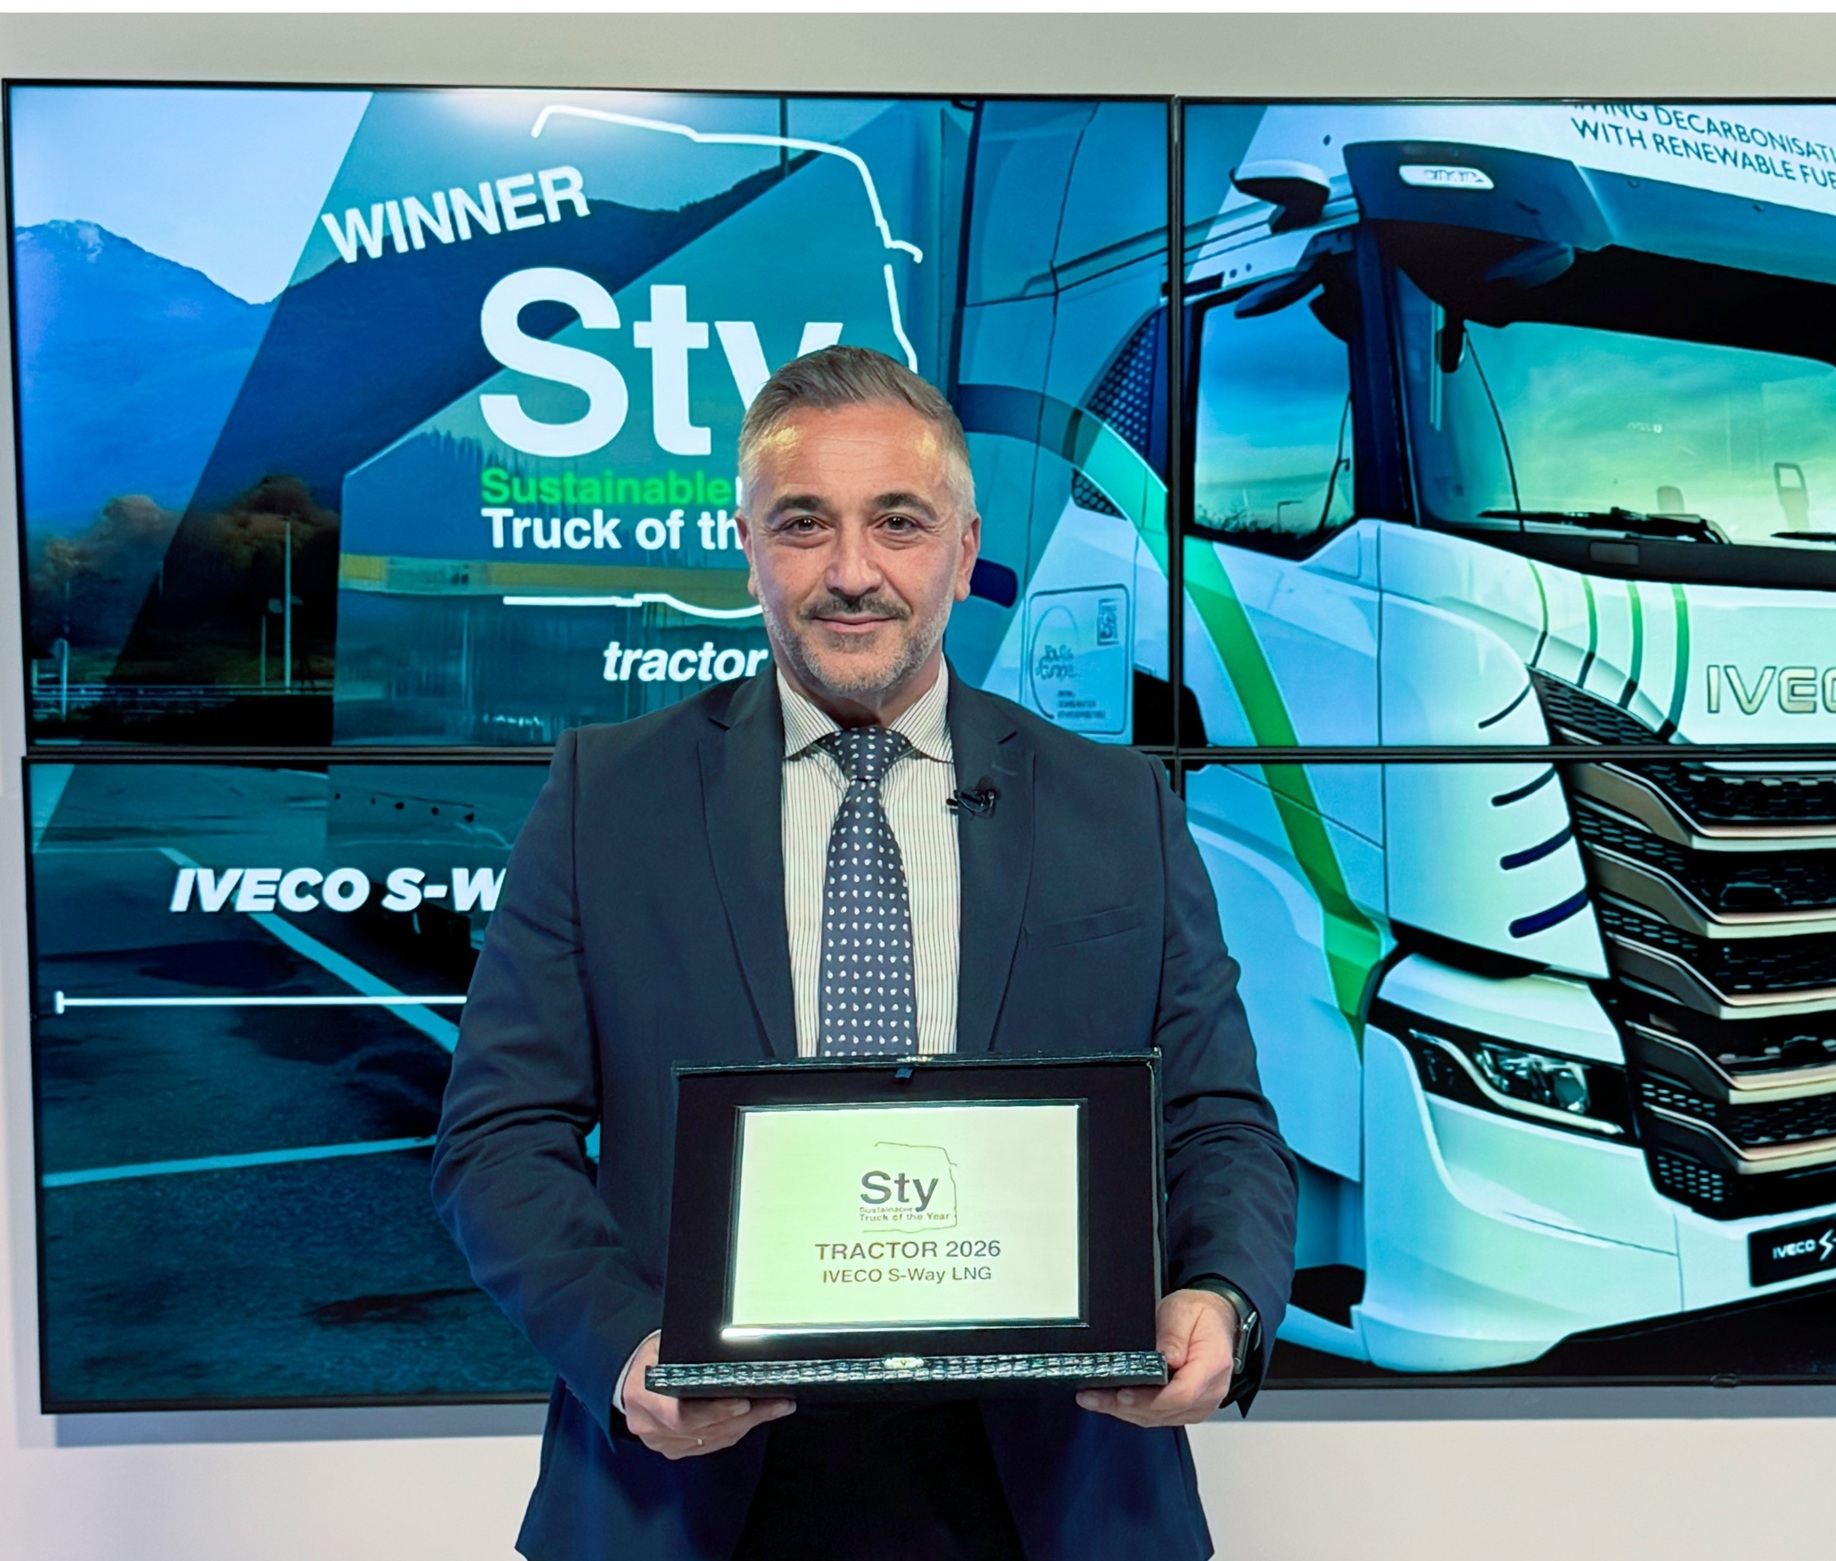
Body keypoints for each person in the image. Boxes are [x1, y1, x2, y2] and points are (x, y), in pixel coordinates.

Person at [432, 345, 1296, 1561]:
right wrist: (626, 1346)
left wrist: (1221, 1295)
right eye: (804, 524)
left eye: (898, 521)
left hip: (1054, 1493)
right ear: (747, 546)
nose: (851, 571)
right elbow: (497, 1136)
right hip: (689, 1493)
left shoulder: (1118, 807)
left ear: (965, 547)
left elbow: (1220, 1122)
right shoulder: (605, 797)